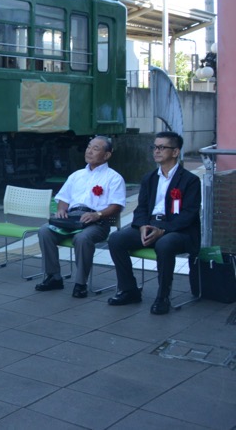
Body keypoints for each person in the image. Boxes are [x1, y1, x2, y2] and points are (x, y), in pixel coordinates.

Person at [106, 132, 201, 314]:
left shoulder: (190, 180)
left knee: (165, 244)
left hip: (179, 231)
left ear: (175, 152)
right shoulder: (149, 178)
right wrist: (142, 226)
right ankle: (129, 290)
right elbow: (141, 208)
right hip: (150, 225)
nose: (156, 151)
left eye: (161, 147)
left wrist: (162, 230)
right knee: (116, 239)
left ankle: (163, 296)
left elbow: (189, 214)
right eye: (154, 147)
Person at [35, 136, 125, 298]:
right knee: (44, 231)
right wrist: (62, 210)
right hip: (71, 219)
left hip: (97, 223)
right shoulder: (76, 175)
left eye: (96, 148)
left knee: (82, 239)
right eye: (89, 147)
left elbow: (116, 206)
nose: (89, 151)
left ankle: (80, 283)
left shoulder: (114, 178)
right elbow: (64, 199)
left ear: (106, 155)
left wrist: (97, 214)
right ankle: (54, 276)